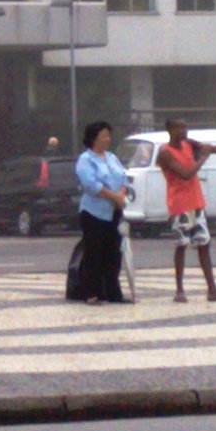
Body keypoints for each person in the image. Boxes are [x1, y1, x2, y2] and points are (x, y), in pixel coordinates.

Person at [156, 118, 216, 303]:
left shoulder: (189, 144)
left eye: (186, 126)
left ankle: (212, 289)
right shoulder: (165, 153)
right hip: (179, 205)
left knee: (204, 245)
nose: (184, 130)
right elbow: (185, 174)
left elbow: (215, 149)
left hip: (196, 203)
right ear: (169, 130)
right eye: (180, 127)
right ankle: (179, 290)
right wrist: (203, 158)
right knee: (181, 245)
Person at [75, 121, 129, 305]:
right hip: (93, 213)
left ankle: (114, 292)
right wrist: (112, 196)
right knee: (94, 253)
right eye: (104, 136)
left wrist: (121, 194)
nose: (108, 139)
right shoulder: (86, 160)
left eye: (108, 135)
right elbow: (91, 185)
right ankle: (92, 292)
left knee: (113, 253)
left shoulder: (112, 157)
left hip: (113, 212)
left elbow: (123, 177)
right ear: (94, 139)